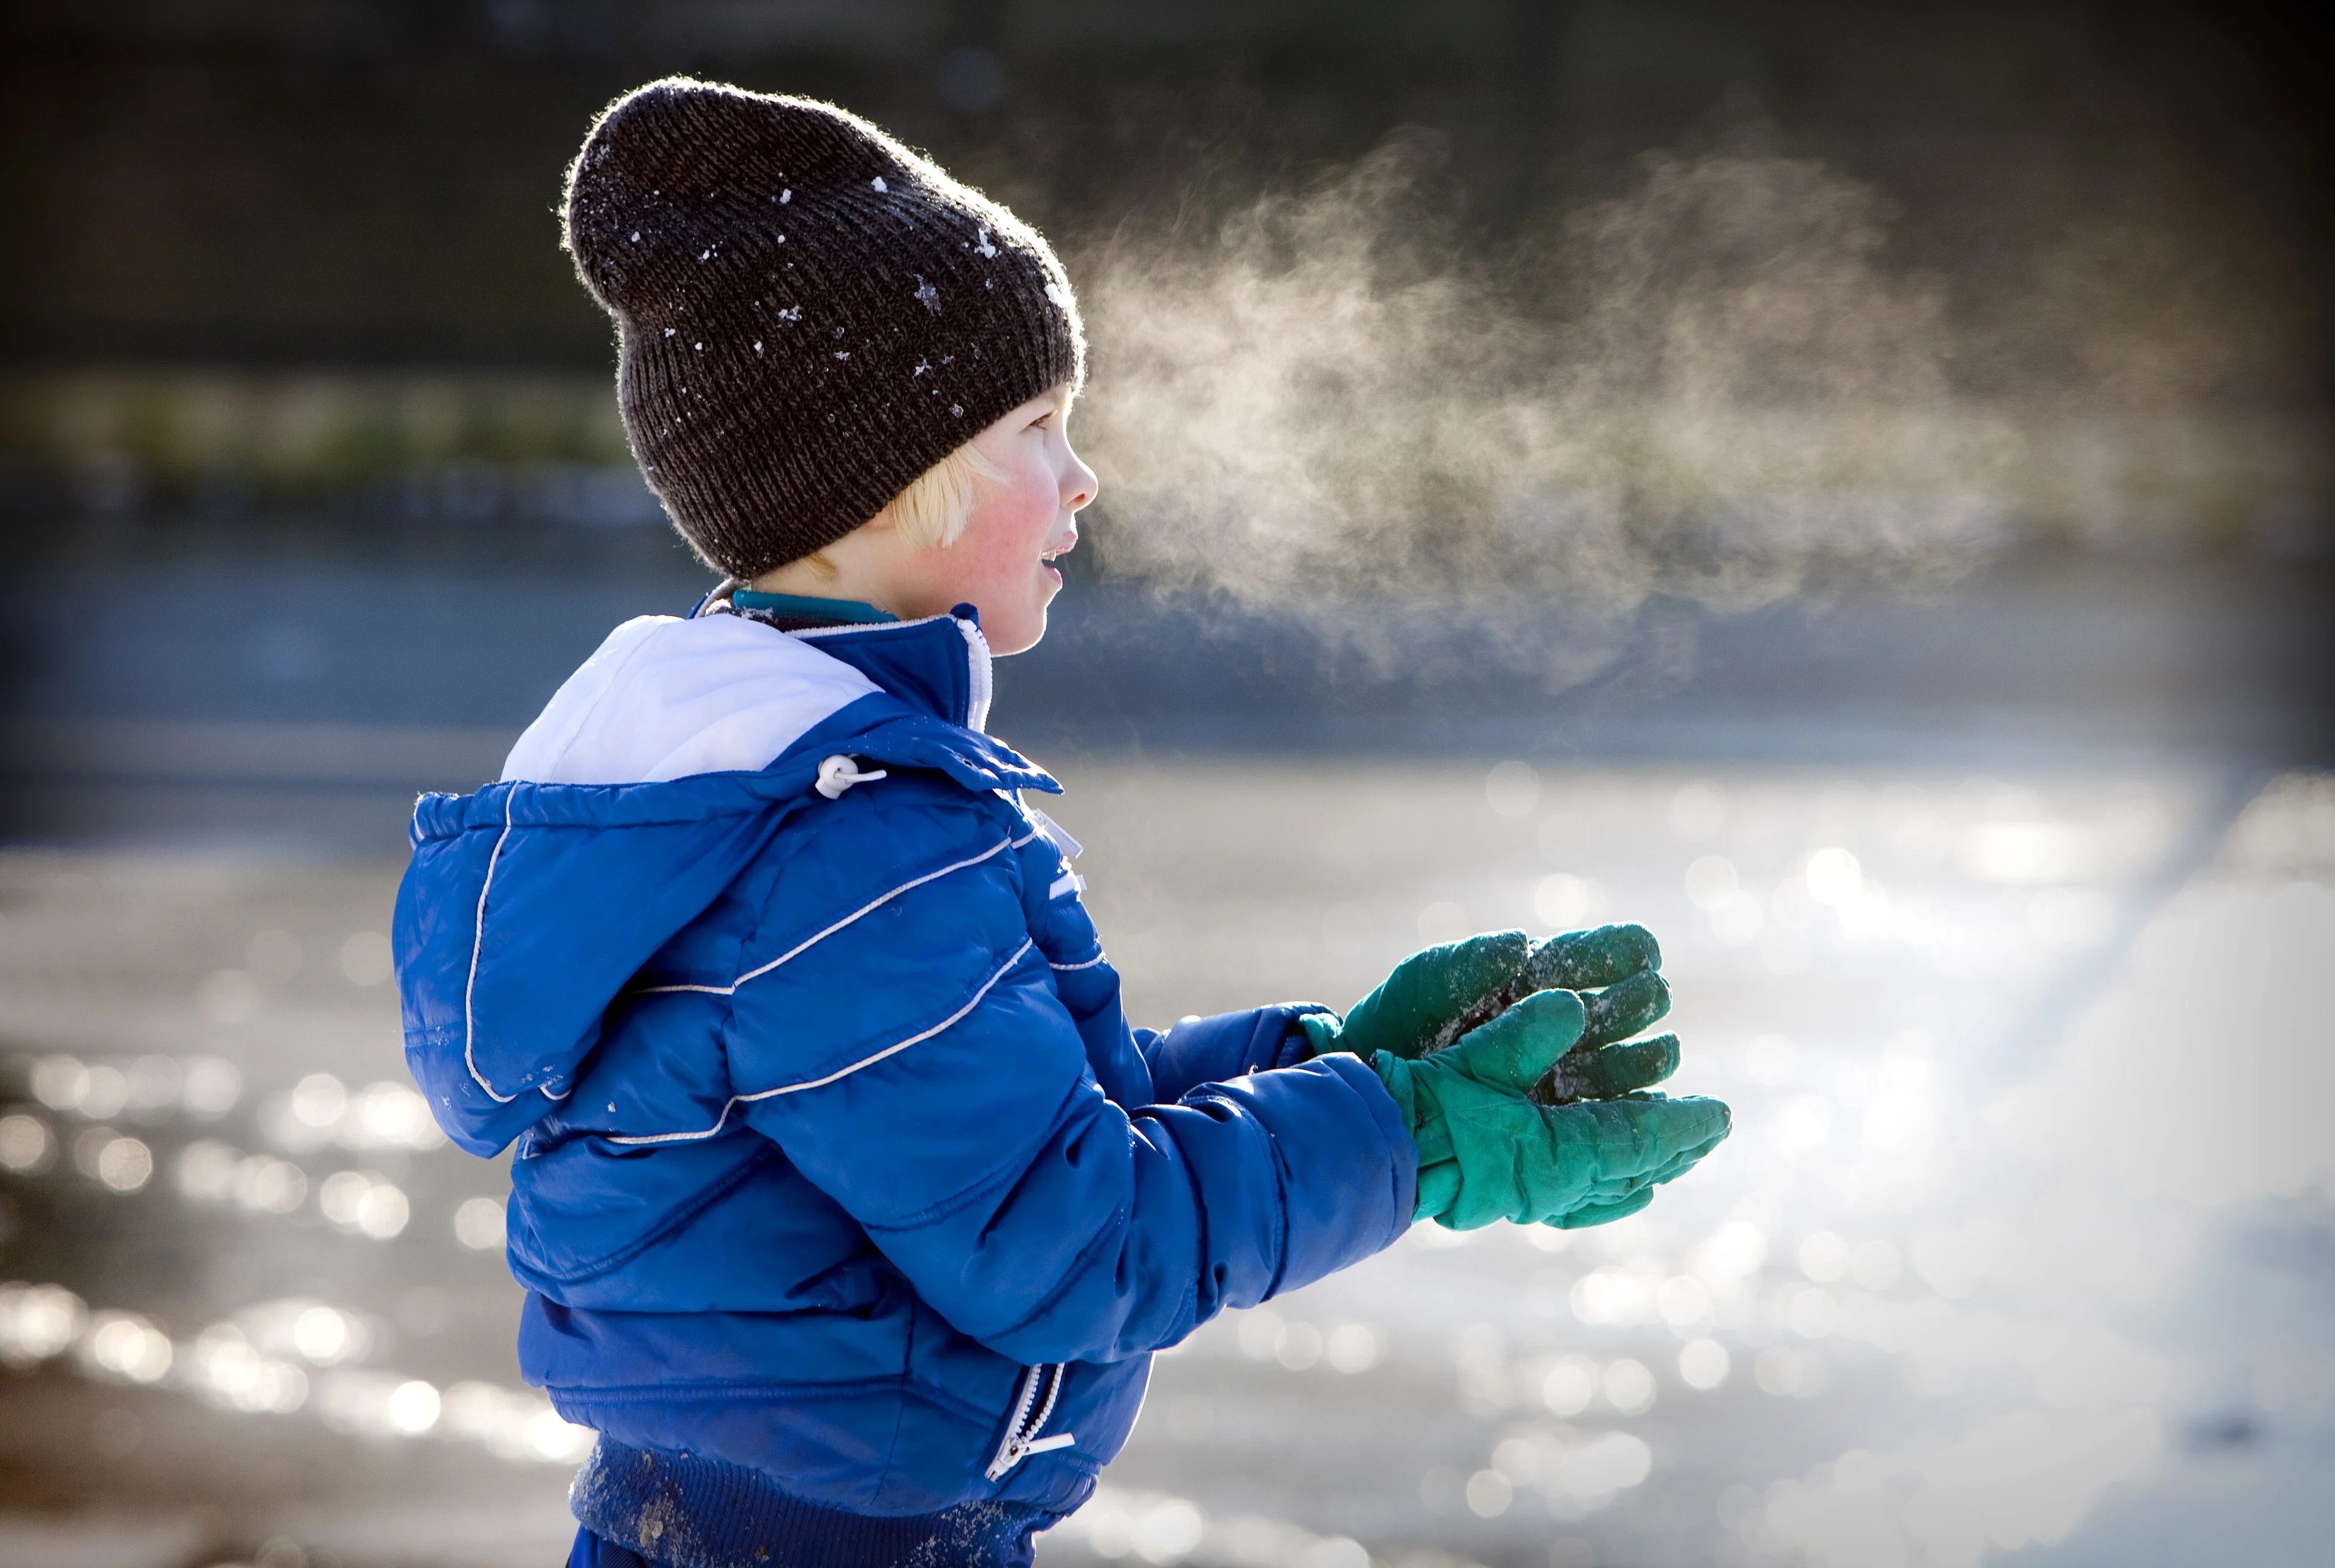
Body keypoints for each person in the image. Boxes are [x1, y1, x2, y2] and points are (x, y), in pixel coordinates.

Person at [392, 78, 1730, 1568]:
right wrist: (1406, 1136)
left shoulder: (761, 803)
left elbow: (1011, 1129)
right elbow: (1076, 1246)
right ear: (888, 483)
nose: (1082, 478)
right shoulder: (845, 851)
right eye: (1039, 424)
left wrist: (1333, 1058)